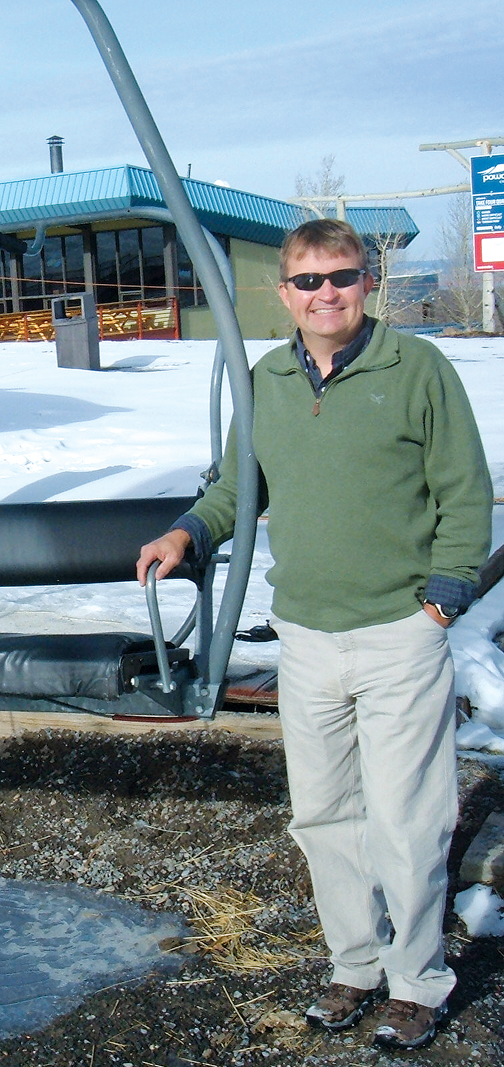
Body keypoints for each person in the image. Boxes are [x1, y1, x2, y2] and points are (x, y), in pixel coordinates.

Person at [136, 218, 492, 1051]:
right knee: (324, 815)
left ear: (366, 281)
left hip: (398, 632)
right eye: (308, 281)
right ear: (283, 291)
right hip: (308, 637)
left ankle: (416, 980)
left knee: (408, 819)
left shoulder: (418, 370)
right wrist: (188, 530)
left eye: (342, 276)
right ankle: (354, 965)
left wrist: (442, 598)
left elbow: (465, 492)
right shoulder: (267, 381)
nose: (326, 293)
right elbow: (238, 488)